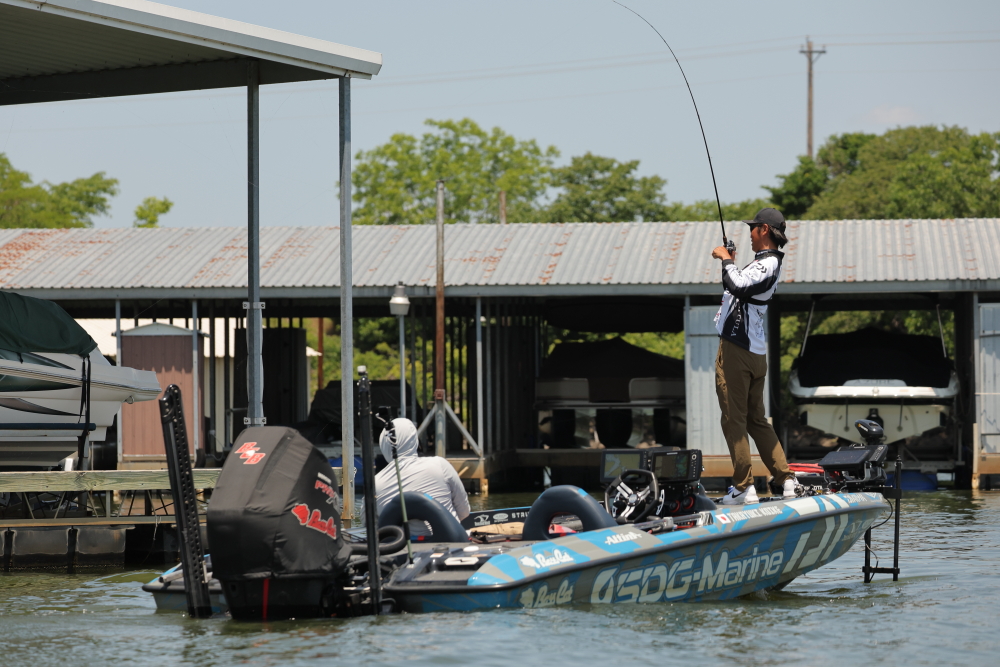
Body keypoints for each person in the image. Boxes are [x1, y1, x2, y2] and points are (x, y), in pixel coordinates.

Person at [711, 207, 798, 505]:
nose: (749, 233)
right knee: (755, 419)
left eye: (752, 228)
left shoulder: (769, 263)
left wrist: (725, 259)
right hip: (753, 351)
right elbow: (738, 286)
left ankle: (743, 486)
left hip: (738, 350)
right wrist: (732, 261)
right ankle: (786, 480)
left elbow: (736, 285)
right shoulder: (763, 262)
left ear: (764, 230)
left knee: (733, 418)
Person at [373, 417, 470, 535]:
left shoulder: (375, 483)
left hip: (397, 545)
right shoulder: (440, 465)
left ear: (383, 445)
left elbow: (369, 525)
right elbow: (464, 512)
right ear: (415, 441)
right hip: (450, 541)